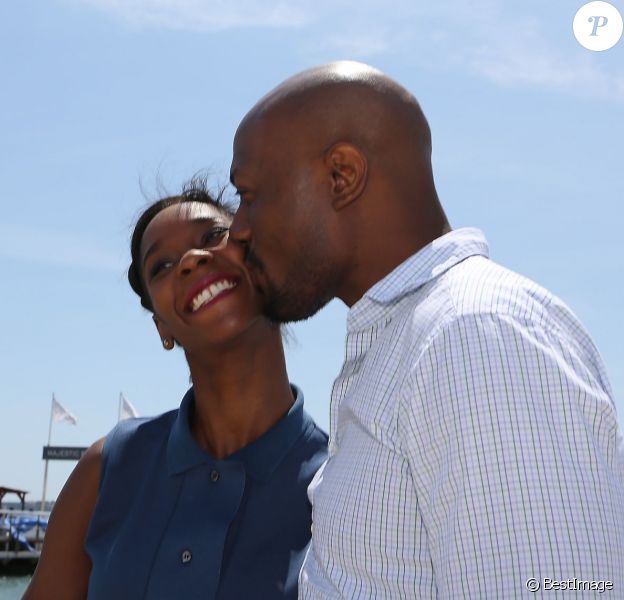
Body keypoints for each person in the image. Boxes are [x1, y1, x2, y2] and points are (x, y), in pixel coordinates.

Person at [228, 61, 624, 597]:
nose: (238, 229)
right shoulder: (420, 339)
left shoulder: (476, 333)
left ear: (342, 176)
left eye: (249, 196)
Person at [23, 180, 328, 600]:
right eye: (161, 267)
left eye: (212, 236)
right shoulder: (106, 469)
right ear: (161, 327)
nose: (189, 260)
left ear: (263, 265)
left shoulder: (339, 482)